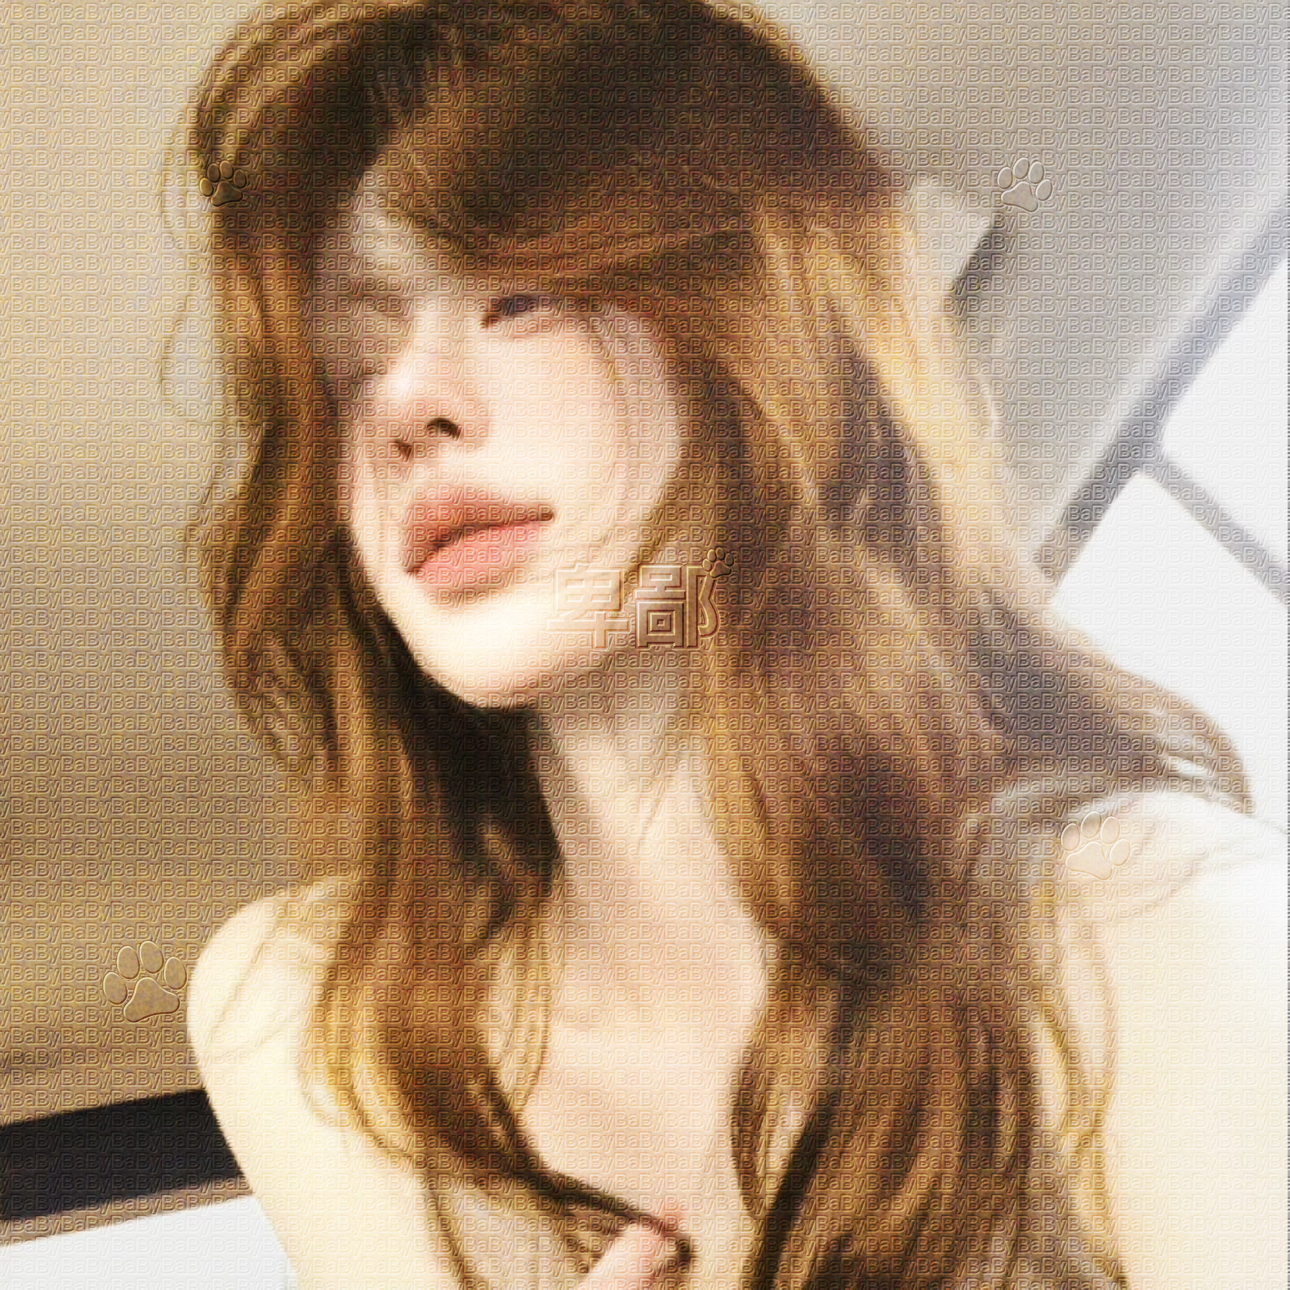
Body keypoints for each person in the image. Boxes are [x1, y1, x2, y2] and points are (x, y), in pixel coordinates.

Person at [178, 3, 1285, 1287]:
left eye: (517, 298)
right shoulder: (311, 1019)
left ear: (765, 329)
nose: (406, 409)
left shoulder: (1158, 921)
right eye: (346, 374)